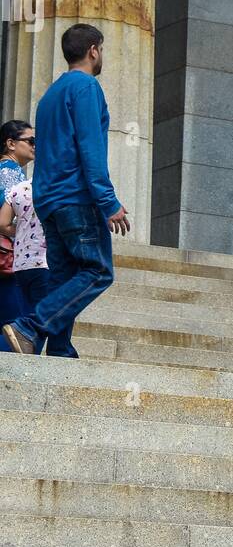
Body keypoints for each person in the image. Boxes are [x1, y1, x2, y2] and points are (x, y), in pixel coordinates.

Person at [2, 23, 130, 357]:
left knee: (62, 279)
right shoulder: (86, 87)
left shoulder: (49, 96)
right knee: (98, 271)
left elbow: (48, 152)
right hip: (76, 199)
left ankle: (59, 351)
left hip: (50, 201)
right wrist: (107, 200)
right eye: (101, 49)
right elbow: (89, 146)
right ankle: (29, 326)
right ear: (93, 50)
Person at [0, 176, 75, 356]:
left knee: (27, 315)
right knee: (41, 321)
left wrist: (24, 231)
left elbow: (2, 224)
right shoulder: (59, 188)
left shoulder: (18, 189)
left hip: (21, 267)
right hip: (46, 263)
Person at [0, 120, 35, 333]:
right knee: (15, 324)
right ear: (11, 143)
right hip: (7, 258)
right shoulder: (10, 172)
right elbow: (5, 221)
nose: (35, 145)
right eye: (30, 140)